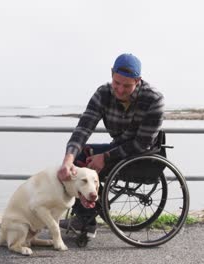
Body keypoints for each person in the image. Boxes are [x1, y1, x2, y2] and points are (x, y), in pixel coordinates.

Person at [57, 53, 165, 238]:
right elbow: (84, 128)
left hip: (144, 152)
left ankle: (85, 219)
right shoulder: (103, 93)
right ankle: (86, 220)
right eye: (116, 83)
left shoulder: (153, 99)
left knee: (98, 158)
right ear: (111, 74)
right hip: (119, 146)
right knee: (81, 155)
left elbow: (142, 143)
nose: (120, 90)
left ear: (137, 80)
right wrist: (68, 160)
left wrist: (105, 157)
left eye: (127, 85)